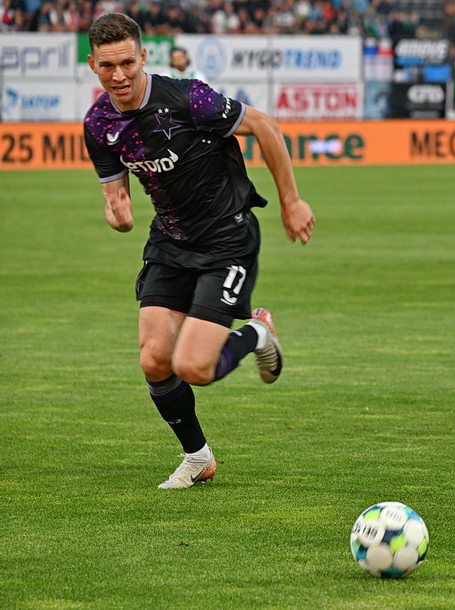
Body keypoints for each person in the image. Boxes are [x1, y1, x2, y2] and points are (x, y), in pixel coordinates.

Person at [83, 13, 315, 489]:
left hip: (226, 239)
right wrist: (117, 215)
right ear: (92, 65)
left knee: (193, 367)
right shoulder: (99, 124)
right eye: (108, 66)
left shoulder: (188, 98)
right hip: (169, 243)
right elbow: (115, 200)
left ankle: (257, 333)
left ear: (143, 56)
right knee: (154, 360)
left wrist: (291, 202)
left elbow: (266, 126)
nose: (119, 75)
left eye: (127, 63)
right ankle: (198, 457)